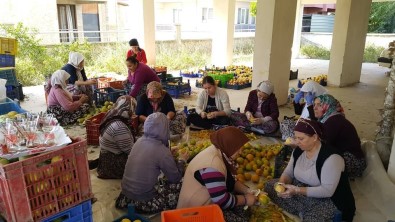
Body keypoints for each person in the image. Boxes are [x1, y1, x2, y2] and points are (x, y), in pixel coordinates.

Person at [265, 118, 356, 222]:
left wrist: (296, 190)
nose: (297, 142)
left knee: (313, 218)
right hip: (302, 189)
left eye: (301, 138)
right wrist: (281, 184)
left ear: (314, 137)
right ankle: (303, 210)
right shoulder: (299, 150)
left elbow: (327, 191)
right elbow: (288, 173)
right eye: (296, 137)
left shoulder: (332, 158)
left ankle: (306, 211)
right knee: (270, 186)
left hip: (326, 199)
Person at [177, 126, 258, 221]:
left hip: (209, 200)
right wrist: (245, 199)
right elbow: (222, 200)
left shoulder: (220, 151)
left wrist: (247, 191)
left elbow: (230, 181)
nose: (241, 152)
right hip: (194, 213)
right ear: (229, 145)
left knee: (244, 209)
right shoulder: (212, 165)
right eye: (238, 148)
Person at [115, 112, 188, 214]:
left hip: (126, 197)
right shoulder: (162, 150)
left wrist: (168, 155)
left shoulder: (139, 141)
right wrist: (182, 160)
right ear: (164, 129)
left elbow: (150, 158)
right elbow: (175, 178)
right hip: (146, 201)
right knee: (183, 182)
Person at [313, 94, 366, 179]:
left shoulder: (333, 122)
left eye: (319, 105)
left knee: (317, 162)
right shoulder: (331, 118)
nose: (314, 108)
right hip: (348, 156)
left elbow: (322, 147)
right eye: (314, 104)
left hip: (354, 162)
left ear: (327, 106)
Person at [93, 95, 137, 179]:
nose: (134, 112)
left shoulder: (113, 115)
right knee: (145, 163)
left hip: (106, 159)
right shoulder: (119, 126)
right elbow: (131, 151)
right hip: (112, 164)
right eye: (133, 109)